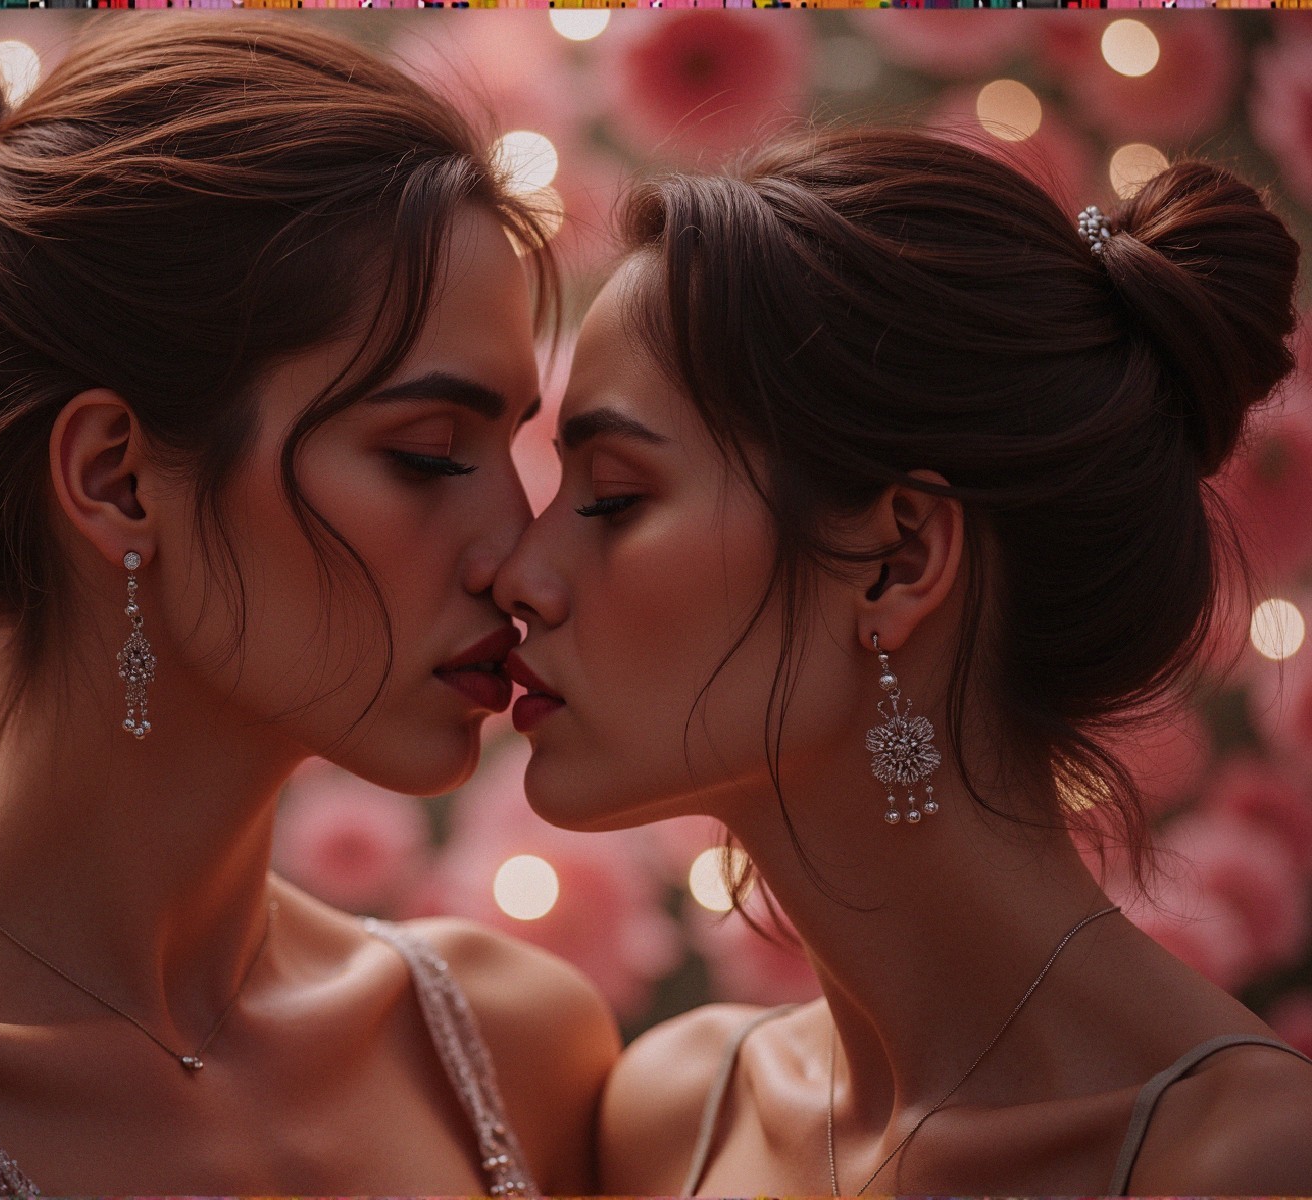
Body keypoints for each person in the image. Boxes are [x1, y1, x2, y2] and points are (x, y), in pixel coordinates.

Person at [0, 17, 618, 1196]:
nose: (518, 554)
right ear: (115, 478)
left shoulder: (518, 1050)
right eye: (426, 454)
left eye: (516, 447)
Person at [493, 128, 1312, 1194]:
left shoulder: (1245, 1164)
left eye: (611, 498)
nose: (520, 571)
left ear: (898, 558)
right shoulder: (676, 1114)